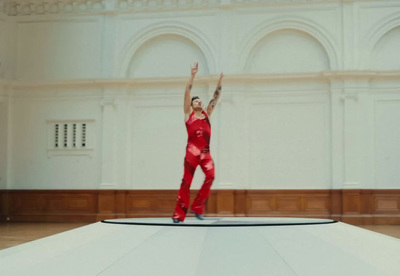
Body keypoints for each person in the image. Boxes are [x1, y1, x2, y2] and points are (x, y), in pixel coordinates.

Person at [172, 62, 223, 223]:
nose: (199, 102)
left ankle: (197, 207)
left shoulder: (207, 114)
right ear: (192, 106)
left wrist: (220, 81)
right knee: (186, 182)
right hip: (191, 152)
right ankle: (179, 215)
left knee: (211, 176)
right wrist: (192, 75)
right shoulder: (188, 115)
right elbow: (187, 93)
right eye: (196, 102)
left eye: (200, 101)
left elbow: (216, 97)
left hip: (205, 153)